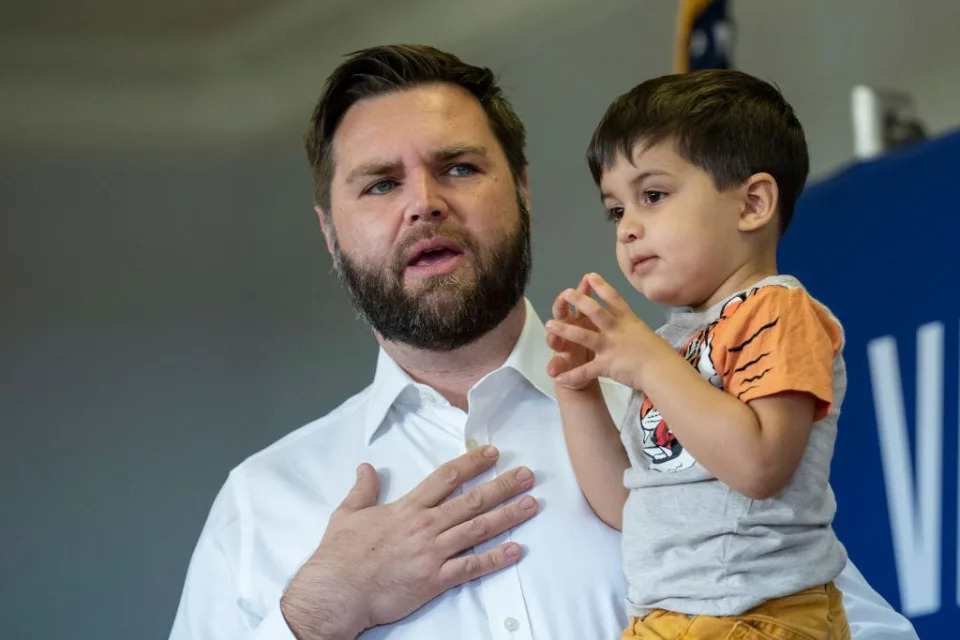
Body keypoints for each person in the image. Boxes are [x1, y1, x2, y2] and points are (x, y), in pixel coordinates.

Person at [169, 45, 918, 640]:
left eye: (458, 167)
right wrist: (309, 622)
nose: (424, 204)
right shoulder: (263, 505)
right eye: (379, 185)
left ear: (521, 190)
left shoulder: (686, 401)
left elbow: (840, 617)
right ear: (331, 233)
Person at [545, 70, 854, 639]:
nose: (628, 228)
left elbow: (759, 465)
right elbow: (625, 503)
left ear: (753, 203)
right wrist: (578, 391)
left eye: (653, 196)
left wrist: (645, 363)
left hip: (754, 615)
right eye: (615, 211)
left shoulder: (778, 309)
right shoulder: (669, 344)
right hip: (667, 617)